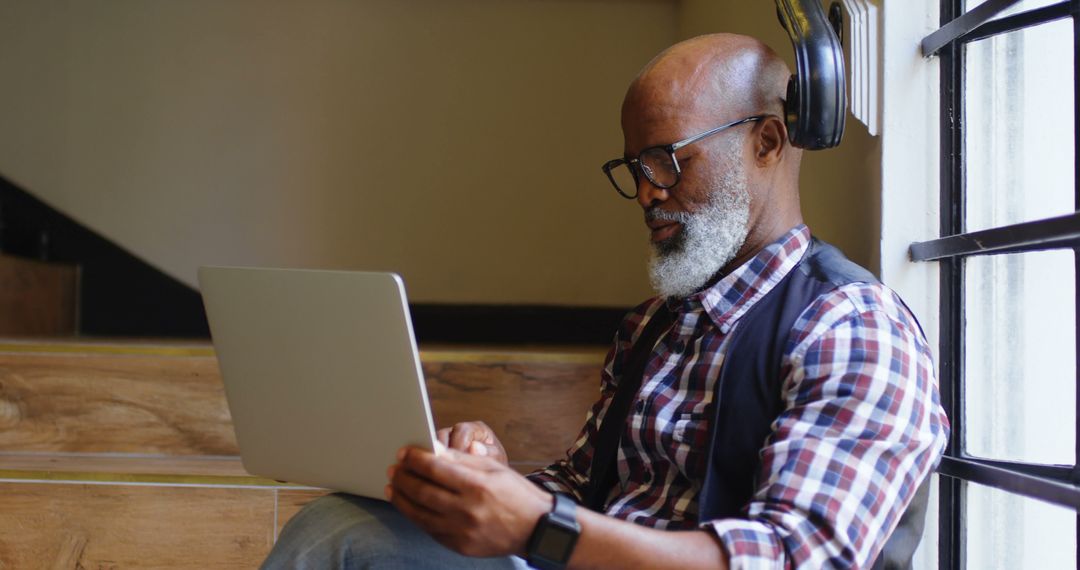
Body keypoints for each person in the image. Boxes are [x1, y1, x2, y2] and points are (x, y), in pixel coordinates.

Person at [262, 33, 949, 569]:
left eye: (668, 160)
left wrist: (537, 525)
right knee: (337, 528)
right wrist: (498, 483)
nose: (648, 191)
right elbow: (591, 494)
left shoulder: (850, 325)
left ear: (766, 142)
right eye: (635, 167)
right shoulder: (654, 326)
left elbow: (800, 560)